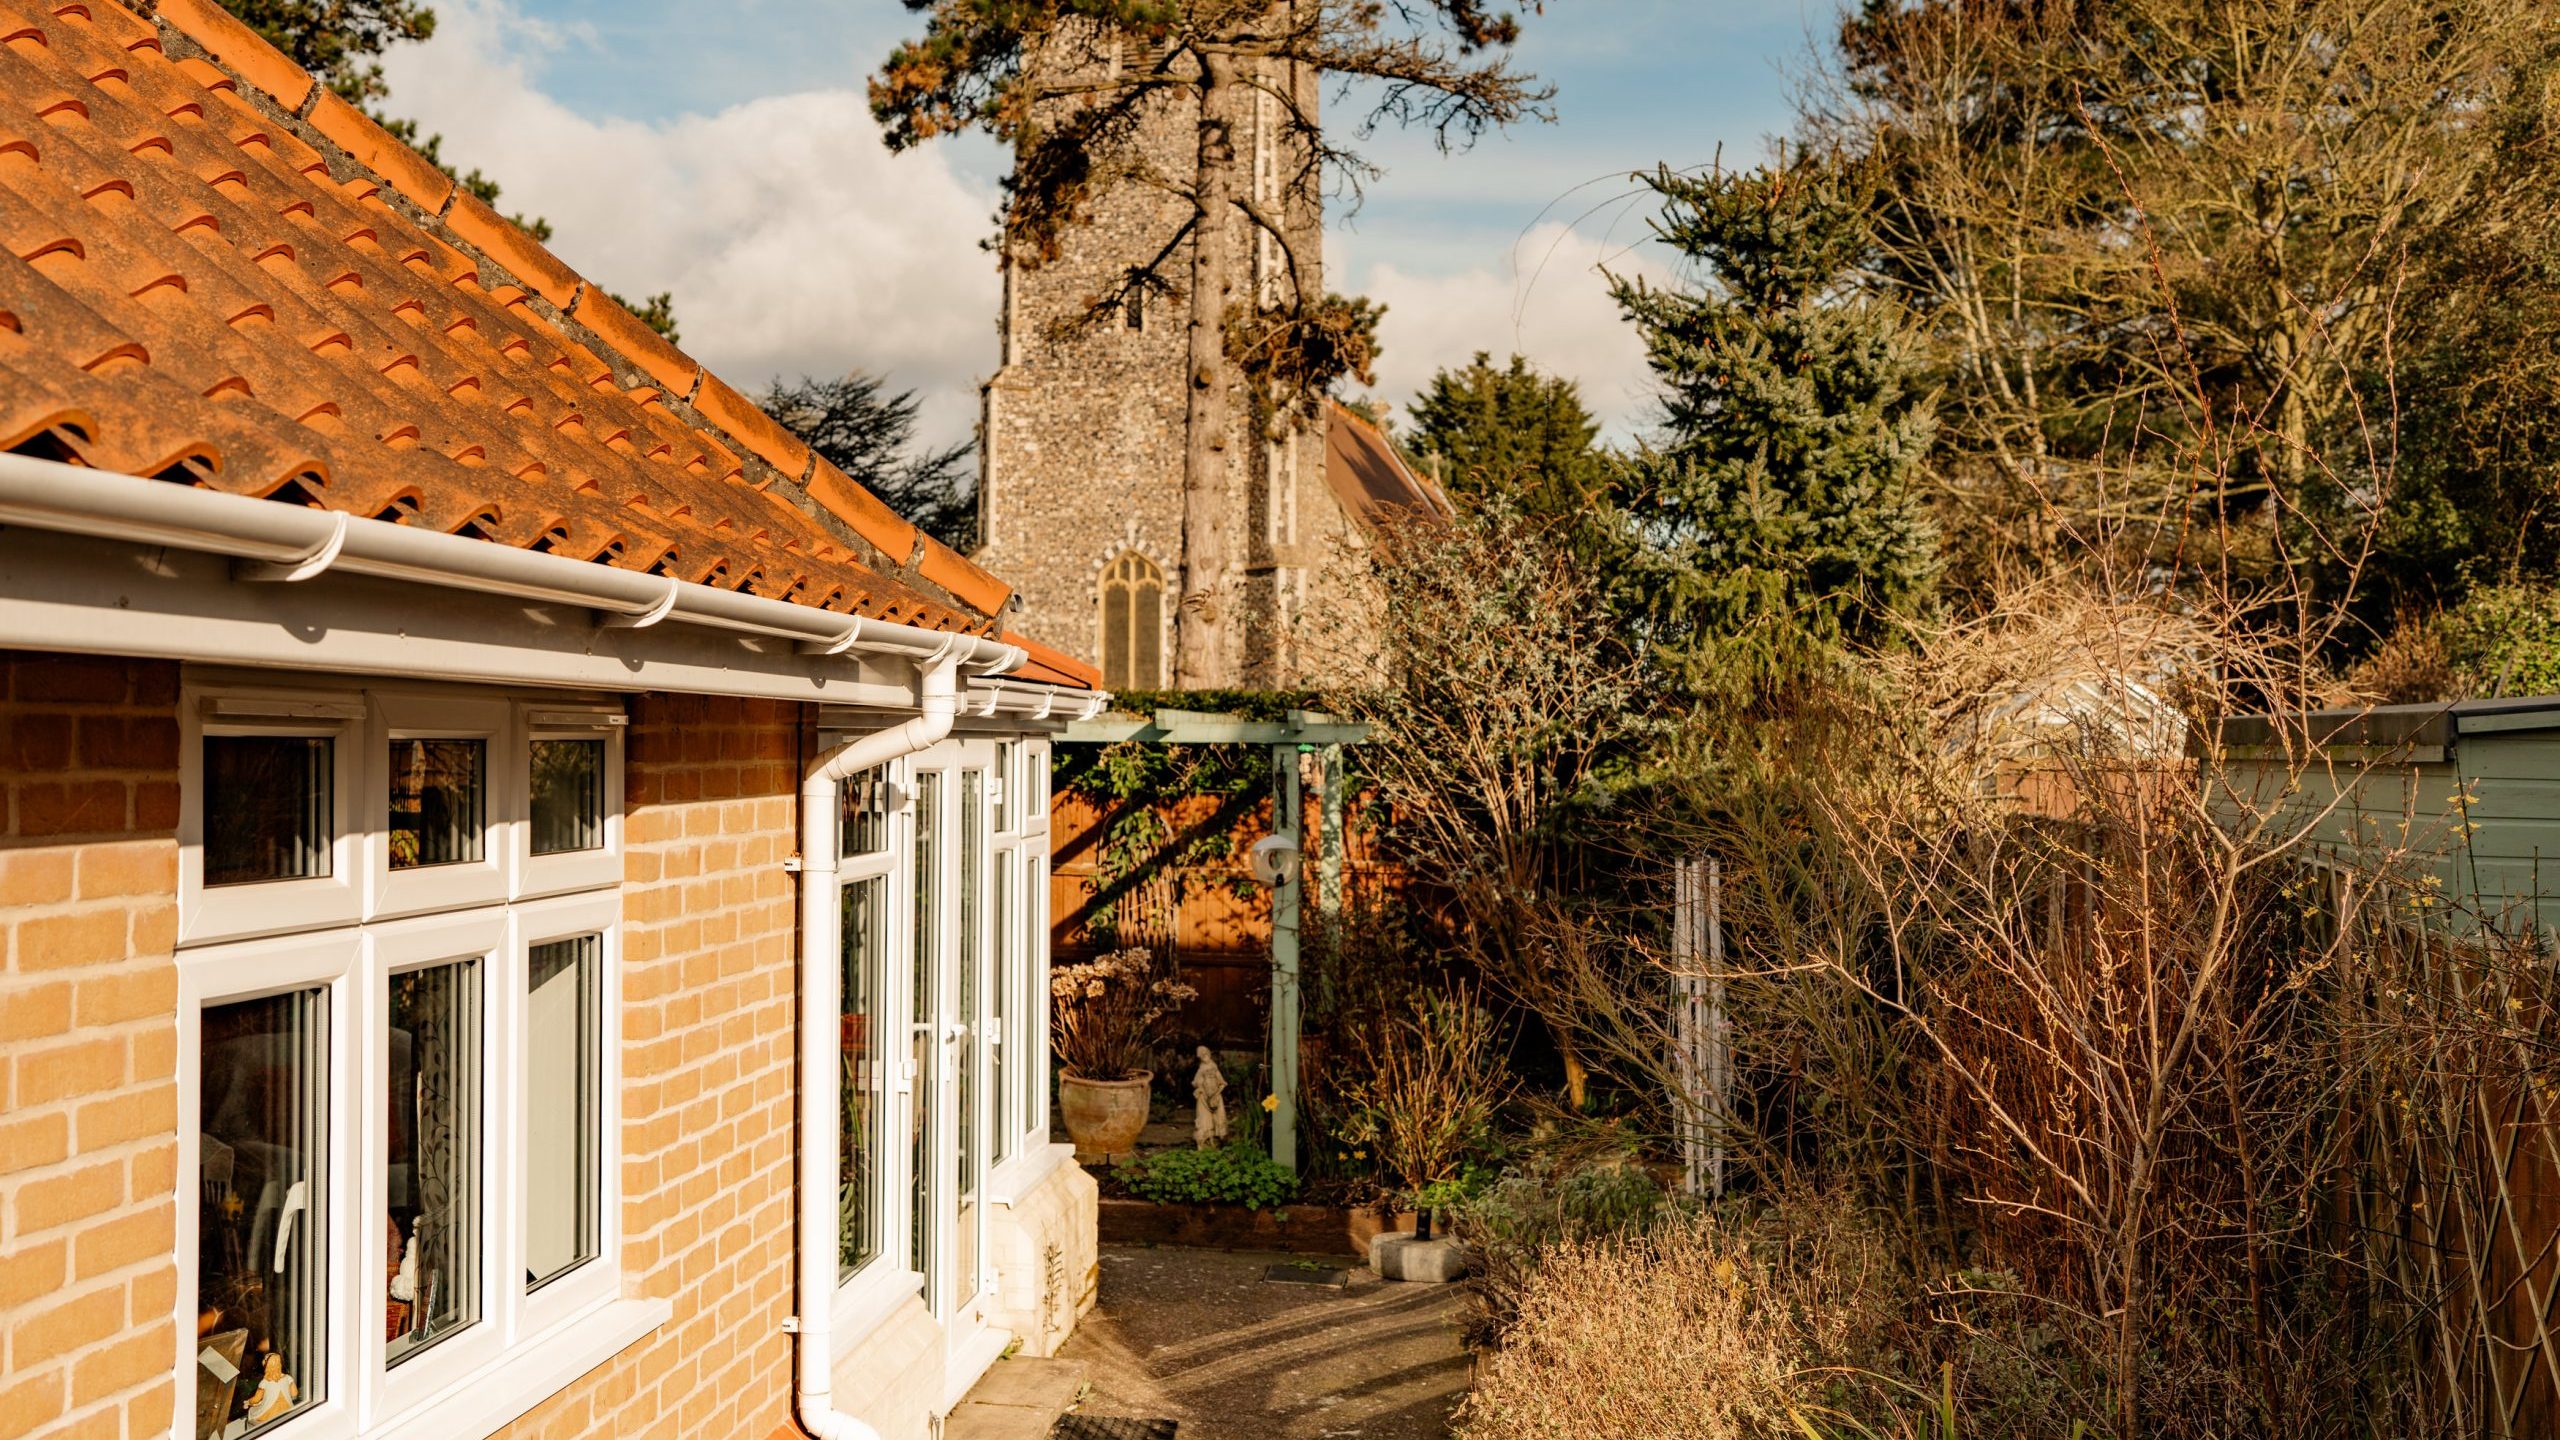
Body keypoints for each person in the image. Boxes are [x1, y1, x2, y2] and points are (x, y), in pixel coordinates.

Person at [1191, 1045, 1229, 1148]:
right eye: (1202, 1056)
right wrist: (1201, 1088)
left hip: (1215, 1097)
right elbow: (1196, 1082)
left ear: (1208, 1054)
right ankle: (1204, 1144)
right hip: (1204, 1097)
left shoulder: (1214, 1068)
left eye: (1206, 1055)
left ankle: (1215, 1142)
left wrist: (1215, 1094)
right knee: (1204, 1120)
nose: (1205, 1057)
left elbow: (1222, 1082)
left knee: (1218, 1119)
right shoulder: (1201, 1069)